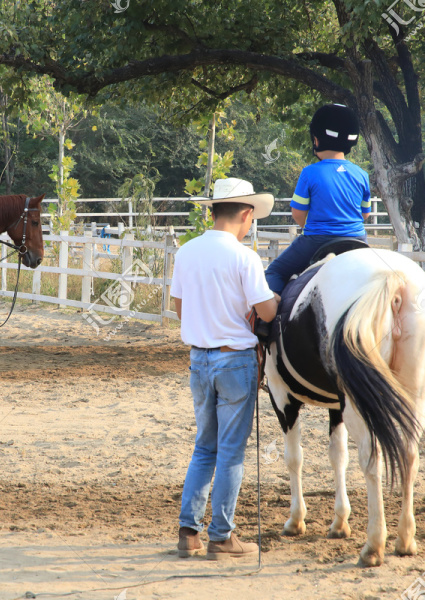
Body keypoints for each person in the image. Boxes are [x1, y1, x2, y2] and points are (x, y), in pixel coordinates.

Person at [171, 178, 280, 560]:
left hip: (199, 358)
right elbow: (266, 311)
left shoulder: (186, 252)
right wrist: (274, 299)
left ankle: (189, 532)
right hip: (234, 360)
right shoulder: (244, 256)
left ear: (213, 211)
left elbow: (178, 307)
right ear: (246, 214)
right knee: (232, 452)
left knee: (205, 446)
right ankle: (222, 535)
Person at [264, 104, 372, 294]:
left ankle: (267, 322)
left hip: (317, 240)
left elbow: (298, 213)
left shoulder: (309, 173)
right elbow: (365, 214)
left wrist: (312, 227)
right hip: (357, 239)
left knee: (274, 271)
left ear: (316, 139)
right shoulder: (362, 174)